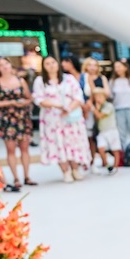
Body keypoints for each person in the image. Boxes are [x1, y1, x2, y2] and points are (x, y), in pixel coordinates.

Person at [33, 55, 92, 183]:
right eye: (47, 63)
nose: (51, 65)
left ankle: (75, 169)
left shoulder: (68, 79)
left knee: (72, 142)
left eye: (53, 62)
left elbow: (78, 96)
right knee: (58, 143)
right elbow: (39, 99)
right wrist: (58, 106)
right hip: (52, 119)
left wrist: (68, 108)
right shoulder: (40, 81)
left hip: (71, 117)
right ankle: (66, 171)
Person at [0, 58, 35, 191]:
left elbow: (28, 97)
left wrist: (24, 102)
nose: (5, 67)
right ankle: (16, 178)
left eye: (6, 63)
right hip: (6, 119)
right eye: (1, 65)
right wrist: (10, 103)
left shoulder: (20, 80)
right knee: (11, 149)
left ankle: (27, 176)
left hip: (22, 117)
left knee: (25, 147)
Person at [92, 89, 122, 175]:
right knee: (101, 148)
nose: (98, 99)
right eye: (96, 97)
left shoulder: (109, 106)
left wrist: (94, 109)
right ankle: (107, 164)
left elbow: (99, 116)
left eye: (100, 97)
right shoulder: (98, 107)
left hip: (111, 130)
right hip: (102, 131)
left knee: (115, 149)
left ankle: (116, 166)